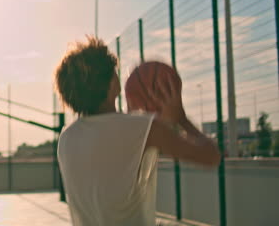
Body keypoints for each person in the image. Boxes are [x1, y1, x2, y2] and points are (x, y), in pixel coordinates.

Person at [54, 36, 220, 226]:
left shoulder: (66, 138)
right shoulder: (142, 128)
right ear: (111, 84)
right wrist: (181, 118)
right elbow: (211, 156)